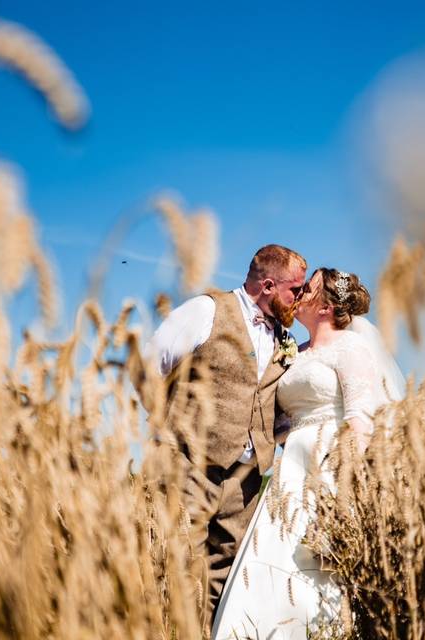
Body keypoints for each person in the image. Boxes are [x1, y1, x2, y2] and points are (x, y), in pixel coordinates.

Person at [211, 267, 405, 640]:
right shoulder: (294, 354)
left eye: (309, 288)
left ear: (327, 307)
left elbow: (361, 419)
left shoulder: (351, 348)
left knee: (314, 568)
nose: (298, 293)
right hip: (290, 475)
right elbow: (279, 421)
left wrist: (345, 495)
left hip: (330, 467)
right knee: (271, 560)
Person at [144, 244, 308, 632]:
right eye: (295, 290)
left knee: (226, 573)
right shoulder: (207, 310)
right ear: (268, 285)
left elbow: (269, 404)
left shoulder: (284, 340)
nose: (299, 299)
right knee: (178, 561)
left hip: (246, 482)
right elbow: (150, 363)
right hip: (190, 466)